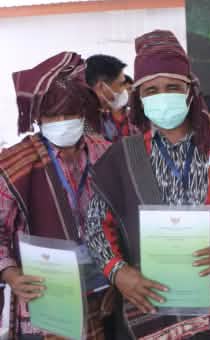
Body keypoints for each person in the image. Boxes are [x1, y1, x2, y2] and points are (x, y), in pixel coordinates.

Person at [84, 30, 210, 339]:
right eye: (151, 90)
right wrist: (119, 274)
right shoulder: (125, 154)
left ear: (190, 90)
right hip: (149, 307)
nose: (162, 95)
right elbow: (97, 224)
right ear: (139, 96)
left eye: (173, 87)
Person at [2, 52, 113, 339]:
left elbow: (124, 217)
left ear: (84, 112)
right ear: (38, 117)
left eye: (71, 113)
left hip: (103, 294)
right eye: (53, 115)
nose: (62, 121)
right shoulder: (14, 164)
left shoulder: (105, 151)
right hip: (44, 298)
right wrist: (11, 275)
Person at [86, 54, 141, 141]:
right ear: (101, 87)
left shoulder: (103, 117)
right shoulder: (80, 125)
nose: (124, 90)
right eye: (121, 85)